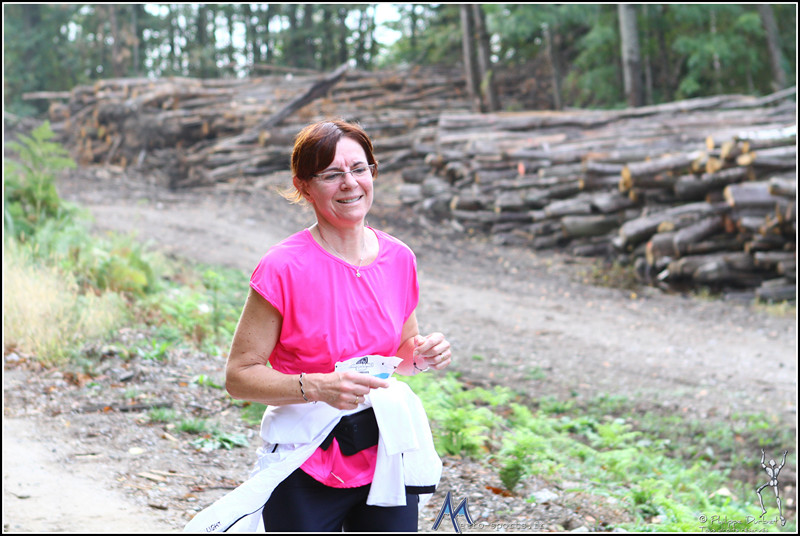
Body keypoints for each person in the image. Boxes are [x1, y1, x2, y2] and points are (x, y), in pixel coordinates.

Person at [183, 119, 452, 533]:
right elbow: (239, 377)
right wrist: (318, 387)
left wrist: (423, 354)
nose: (350, 183)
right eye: (331, 174)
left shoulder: (399, 258)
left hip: (384, 453)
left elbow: (401, 354)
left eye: (359, 169)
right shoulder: (283, 267)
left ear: (372, 173)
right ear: (304, 186)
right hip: (304, 458)